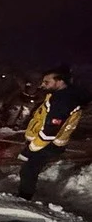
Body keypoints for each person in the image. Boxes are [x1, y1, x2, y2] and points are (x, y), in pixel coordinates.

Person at [18, 66, 89, 200]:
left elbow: (50, 131)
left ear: (60, 81)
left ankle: (23, 201)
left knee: (28, 171)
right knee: (28, 171)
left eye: (47, 82)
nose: (43, 85)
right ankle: (24, 197)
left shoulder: (63, 100)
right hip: (44, 141)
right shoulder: (60, 95)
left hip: (48, 143)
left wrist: (30, 149)